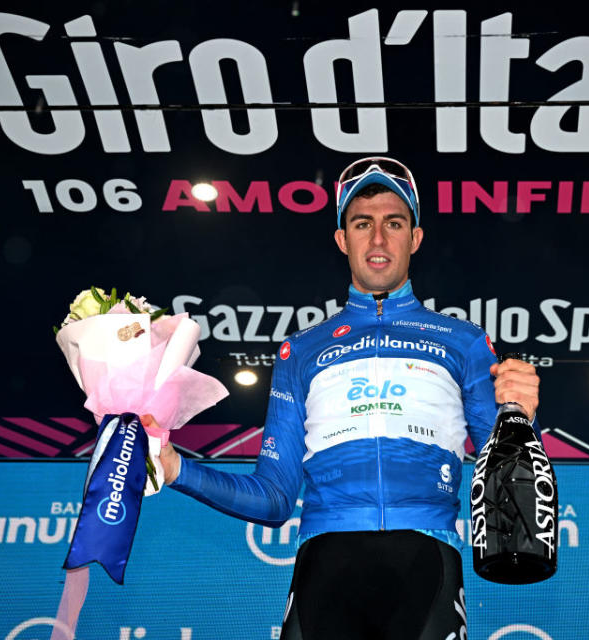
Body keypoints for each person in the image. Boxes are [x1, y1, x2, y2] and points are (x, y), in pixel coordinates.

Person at [150, 156, 540, 640]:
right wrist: (175, 469)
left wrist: (519, 416)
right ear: (342, 239)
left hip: (427, 561)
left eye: (393, 223)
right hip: (325, 566)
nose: (378, 239)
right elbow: (273, 498)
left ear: (415, 238)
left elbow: (510, 485)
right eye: (362, 224)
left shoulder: (462, 342)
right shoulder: (302, 351)